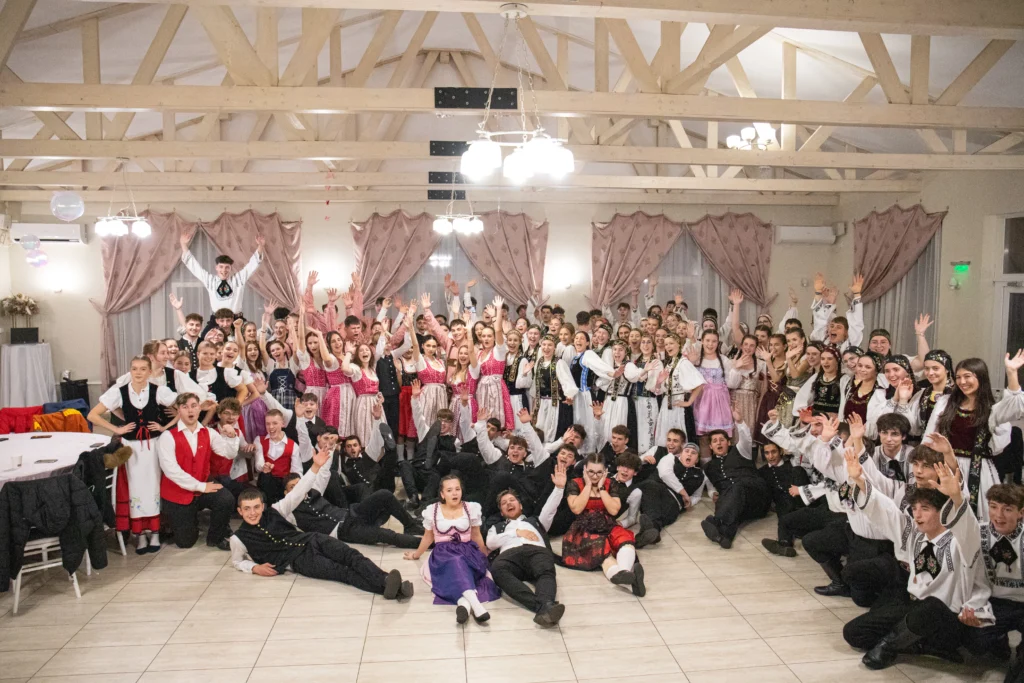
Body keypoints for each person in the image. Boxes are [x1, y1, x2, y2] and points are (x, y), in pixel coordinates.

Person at [842, 450, 993, 670]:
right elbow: (886, 511)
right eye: (914, 509)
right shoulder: (914, 534)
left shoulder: (961, 542)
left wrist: (957, 498)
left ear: (942, 512)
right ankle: (920, 645)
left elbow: (968, 527)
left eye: (925, 509)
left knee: (931, 607)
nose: (917, 515)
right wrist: (860, 481)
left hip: (945, 619)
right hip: (913, 606)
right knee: (853, 632)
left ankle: (889, 646)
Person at [230, 447, 414, 600]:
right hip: (299, 561)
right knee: (342, 572)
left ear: (262, 506)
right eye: (247, 509)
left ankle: (386, 580)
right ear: (240, 511)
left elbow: (298, 491)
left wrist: (315, 467)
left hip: (313, 539)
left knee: (352, 555)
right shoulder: (238, 539)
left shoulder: (276, 510)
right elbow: (237, 561)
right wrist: (254, 567)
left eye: (256, 507)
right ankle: (392, 588)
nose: (252, 513)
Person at [88, 355, 179, 554]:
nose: (138, 373)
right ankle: (140, 534)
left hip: (154, 445)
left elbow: (183, 406)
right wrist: (117, 429)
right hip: (131, 448)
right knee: (135, 489)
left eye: (143, 369)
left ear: (149, 372)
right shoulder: (119, 392)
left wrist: (165, 427)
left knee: (154, 487)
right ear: (130, 371)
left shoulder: (158, 390)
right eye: (134, 368)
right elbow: (92, 415)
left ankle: (155, 532)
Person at [404, 474, 501, 624]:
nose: (454, 493)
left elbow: (476, 535)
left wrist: (484, 555)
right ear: (442, 494)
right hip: (443, 554)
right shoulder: (432, 510)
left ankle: (464, 603)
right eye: (449, 490)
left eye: (457, 489)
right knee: (456, 561)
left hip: (468, 550)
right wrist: (416, 555)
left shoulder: (471, 508)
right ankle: (477, 606)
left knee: (461, 563)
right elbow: (428, 537)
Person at [155, 392, 241, 550]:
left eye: (194, 406)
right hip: (178, 491)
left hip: (202, 485)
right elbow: (171, 471)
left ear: (199, 409)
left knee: (226, 499)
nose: (190, 410)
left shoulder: (209, 433)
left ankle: (216, 537)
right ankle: (180, 521)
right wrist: (201, 486)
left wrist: (231, 436)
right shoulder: (167, 437)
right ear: (178, 410)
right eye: (185, 407)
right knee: (185, 542)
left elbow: (229, 453)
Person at [561, 453, 646, 596]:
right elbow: (576, 508)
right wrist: (588, 485)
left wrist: (601, 488)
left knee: (625, 539)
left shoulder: (610, 484)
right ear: (585, 470)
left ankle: (625, 573)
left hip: (608, 523)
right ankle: (628, 580)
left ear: (605, 471)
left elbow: (613, 510)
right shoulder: (575, 483)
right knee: (603, 552)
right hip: (584, 528)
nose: (595, 476)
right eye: (591, 472)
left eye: (599, 472)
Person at [281, 463, 422, 549]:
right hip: (344, 531)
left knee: (384, 494)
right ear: (286, 493)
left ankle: (410, 526)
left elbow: (325, 471)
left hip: (353, 513)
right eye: (292, 487)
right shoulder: (288, 512)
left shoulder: (315, 490)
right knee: (386, 535)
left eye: (299, 485)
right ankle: (428, 543)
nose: (298, 489)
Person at [485, 484, 566, 627]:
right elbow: (490, 543)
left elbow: (550, 509)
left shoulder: (536, 521)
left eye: (512, 500)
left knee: (546, 570)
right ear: (502, 512)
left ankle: (543, 607)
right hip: (510, 556)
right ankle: (544, 607)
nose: (509, 503)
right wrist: (516, 533)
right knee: (497, 569)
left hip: (536, 551)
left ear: (521, 506)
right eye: (504, 503)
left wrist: (559, 488)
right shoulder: (497, 527)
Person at [700, 411, 772, 549]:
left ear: (728, 442)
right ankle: (724, 537)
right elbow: (710, 487)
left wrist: (739, 422)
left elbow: (746, 438)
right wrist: (713, 493)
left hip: (757, 497)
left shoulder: (741, 451)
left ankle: (716, 522)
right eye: (715, 441)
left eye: (722, 440)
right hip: (737, 504)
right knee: (728, 503)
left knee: (737, 486)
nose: (718, 443)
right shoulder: (708, 467)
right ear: (710, 447)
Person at [180, 230, 265, 316]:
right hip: (216, 319)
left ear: (231, 268)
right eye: (221, 267)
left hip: (236, 319)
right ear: (216, 268)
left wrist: (260, 246)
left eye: (227, 267)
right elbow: (195, 268)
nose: (224, 270)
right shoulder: (210, 281)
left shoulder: (238, 279)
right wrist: (183, 245)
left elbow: (251, 266)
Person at [254, 408, 303, 504]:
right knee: (265, 478)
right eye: (268, 424)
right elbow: (258, 465)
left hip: (284, 483)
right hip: (266, 481)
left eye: (275, 423)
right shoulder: (259, 440)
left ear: (283, 424)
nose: (271, 427)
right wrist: (264, 466)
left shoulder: (293, 445)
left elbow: (297, 471)